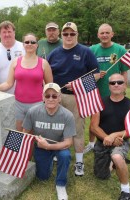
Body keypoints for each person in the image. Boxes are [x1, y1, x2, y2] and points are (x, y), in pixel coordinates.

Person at [47, 22, 100, 176]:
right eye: (65, 34)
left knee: (77, 130)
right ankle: (57, 154)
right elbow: (46, 74)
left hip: (77, 98)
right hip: (56, 97)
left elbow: (96, 74)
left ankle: (79, 162)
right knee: (56, 127)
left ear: (77, 35)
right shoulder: (54, 53)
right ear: (61, 35)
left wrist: (80, 84)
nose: (69, 36)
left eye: (72, 33)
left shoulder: (86, 52)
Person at [23, 83, 76, 200]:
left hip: (59, 146)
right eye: (47, 96)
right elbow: (25, 133)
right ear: (43, 97)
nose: (51, 99)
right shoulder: (33, 112)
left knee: (65, 156)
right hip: (40, 147)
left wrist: (48, 146)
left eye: (54, 96)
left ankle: (61, 184)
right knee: (42, 177)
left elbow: (68, 142)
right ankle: (49, 162)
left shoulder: (68, 115)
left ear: (59, 98)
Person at [0, 33, 53, 131]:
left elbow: (50, 86)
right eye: (27, 42)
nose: (30, 44)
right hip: (18, 105)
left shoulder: (44, 63)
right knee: (19, 135)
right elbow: (8, 83)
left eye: (33, 42)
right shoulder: (15, 62)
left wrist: (48, 101)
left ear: (37, 45)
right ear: (23, 45)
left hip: (36, 105)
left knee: (31, 137)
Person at [84, 23, 129, 154]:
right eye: (102, 33)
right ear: (98, 35)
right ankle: (92, 143)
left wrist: (123, 86)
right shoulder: (92, 50)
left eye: (107, 33)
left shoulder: (120, 50)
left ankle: (116, 142)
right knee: (94, 120)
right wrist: (96, 75)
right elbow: (86, 71)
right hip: (96, 91)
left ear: (112, 34)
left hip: (113, 91)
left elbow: (124, 71)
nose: (104, 35)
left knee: (114, 118)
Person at [90, 73, 130, 200]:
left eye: (120, 82)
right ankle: (113, 162)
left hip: (121, 141)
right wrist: (107, 138)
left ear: (125, 85)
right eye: (112, 83)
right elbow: (93, 127)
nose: (116, 85)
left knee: (117, 156)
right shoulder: (99, 102)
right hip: (102, 141)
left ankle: (126, 192)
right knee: (101, 175)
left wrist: (114, 135)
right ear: (109, 86)